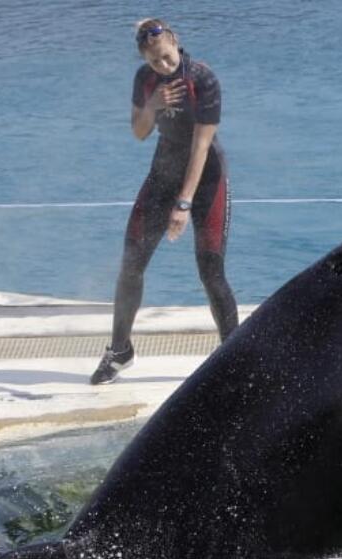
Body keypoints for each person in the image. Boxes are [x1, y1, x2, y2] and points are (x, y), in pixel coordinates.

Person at [91, 18, 238, 385]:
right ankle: (120, 351)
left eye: (167, 58)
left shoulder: (202, 79)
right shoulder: (145, 80)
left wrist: (184, 204)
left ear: (175, 43)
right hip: (162, 173)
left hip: (205, 179)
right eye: (155, 61)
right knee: (131, 263)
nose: (163, 66)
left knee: (210, 270)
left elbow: (201, 145)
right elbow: (139, 132)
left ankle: (235, 354)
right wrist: (152, 105)